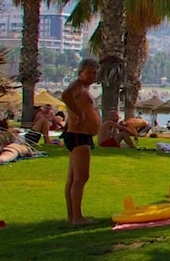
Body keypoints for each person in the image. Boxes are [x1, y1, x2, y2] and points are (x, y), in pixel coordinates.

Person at [61, 59, 100, 225]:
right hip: (78, 135)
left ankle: (72, 216)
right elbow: (65, 96)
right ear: (80, 72)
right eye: (89, 72)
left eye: (94, 72)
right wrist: (80, 115)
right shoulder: (77, 86)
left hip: (80, 134)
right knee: (81, 177)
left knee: (73, 178)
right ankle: (77, 217)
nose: (92, 75)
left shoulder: (83, 88)